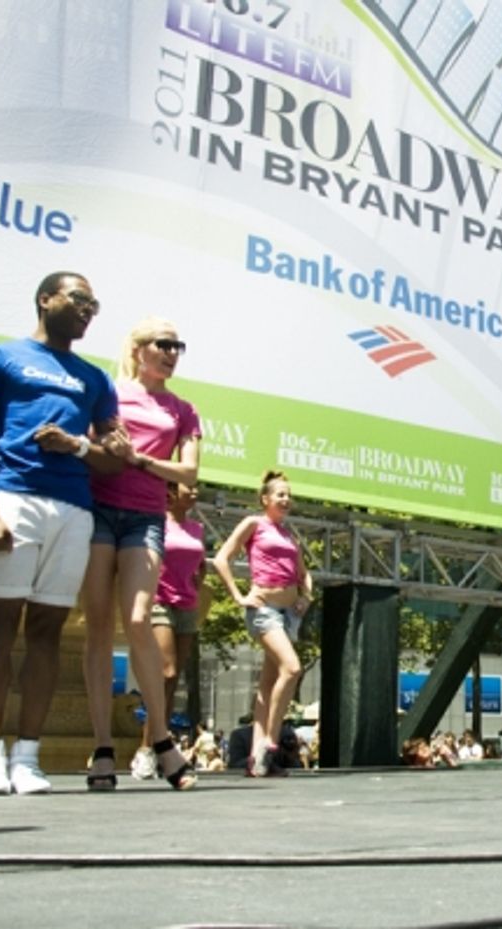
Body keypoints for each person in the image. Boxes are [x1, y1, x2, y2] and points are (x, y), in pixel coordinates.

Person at [0, 271, 123, 796]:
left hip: (74, 510)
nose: (88, 310)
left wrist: (77, 446)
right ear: (45, 298)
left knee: (48, 633)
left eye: (94, 305)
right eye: (79, 299)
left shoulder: (95, 379)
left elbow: (110, 460)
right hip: (14, 498)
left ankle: (27, 757)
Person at [81, 317, 201, 792]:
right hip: (97, 509)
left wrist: (140, 460)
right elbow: (87, 446)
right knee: (97, 625)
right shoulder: (107, 392)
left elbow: (188, 474)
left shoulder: (184, 410)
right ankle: (103, 747)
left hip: (146, 517)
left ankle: (162, 740)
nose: (172, 352)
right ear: (138, 349)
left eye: (179, 345)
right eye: (164, 344)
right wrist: (103, 448)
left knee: (137, 619)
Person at [213, 469, 314, 777]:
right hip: (265, 610)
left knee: (268, 685)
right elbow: (221, 559)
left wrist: (305, 597)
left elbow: (304, 574)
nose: (286, 499)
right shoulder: (254, 524)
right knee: (292, 668)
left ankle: (258, 761)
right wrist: (239, 596)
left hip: (289, 616)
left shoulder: (288, 535)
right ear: (265, 499)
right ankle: (268, 743)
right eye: (280, 494)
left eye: (289, 495)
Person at [131, 481, 206, 780]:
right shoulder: (157, 521)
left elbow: (200, 565)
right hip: (159, 599)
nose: (196, 492)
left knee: (174, 684)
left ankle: (161, 750)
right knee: (167, 672)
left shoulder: (197, 529)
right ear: (172, 494)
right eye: (191, 487)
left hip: (187, 604)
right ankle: (145, 749)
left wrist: (196, 581)